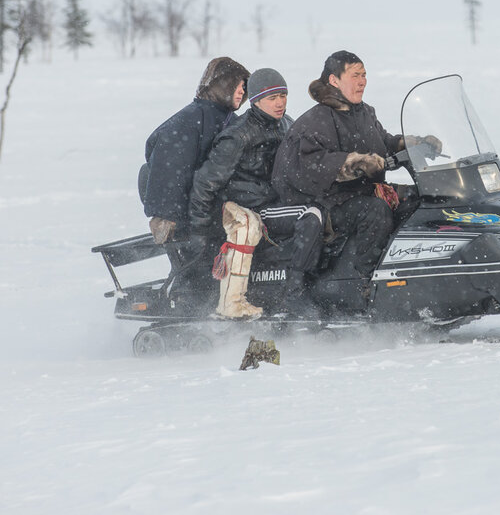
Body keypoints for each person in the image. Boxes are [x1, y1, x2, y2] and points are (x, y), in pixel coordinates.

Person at [271, 50, 402, 312]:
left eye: (364, 75)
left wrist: (408, 144)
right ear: (334, 80)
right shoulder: (315, 121)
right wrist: (353, 163)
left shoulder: (364, 112)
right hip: (324, 204)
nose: (362, 81)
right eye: (355, 75)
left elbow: (383, 143)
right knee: (375, 212)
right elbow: (308, 167)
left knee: (416, 200)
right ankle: (363, 286)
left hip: (359, 192)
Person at [188, 68, 324, 318]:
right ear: (256, 101)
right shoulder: (238, 135)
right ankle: (294, 295)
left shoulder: (285, 123)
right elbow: (205, 183)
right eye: (272, 98)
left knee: (323, 208)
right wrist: (198, 229)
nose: (280, 102)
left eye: (283, 95)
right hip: (253, 207)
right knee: (310, 215)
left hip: (278, 200)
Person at [140, 56, 249, 304]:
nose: (242, 91)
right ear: (220, 85)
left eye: (245, 86)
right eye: (237, 84)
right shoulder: (191, 120)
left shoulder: (224, 118)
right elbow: (169, 169)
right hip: (193, 213)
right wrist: (167, 215)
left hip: (214, 205)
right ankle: (190, 298)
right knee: (202, 258)